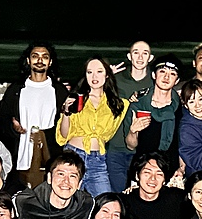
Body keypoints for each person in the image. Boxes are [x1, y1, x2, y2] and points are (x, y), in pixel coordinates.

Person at [0, 41, 70, 188]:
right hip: (20, 159)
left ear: (50, 62)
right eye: (35, 56)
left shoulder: (59, 91)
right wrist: (14, 128)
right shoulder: (16, 90)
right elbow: (3, 121)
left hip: (50, 158)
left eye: (45, 57)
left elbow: (67, 125)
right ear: (28, 61)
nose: (40, 60)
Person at [55, 56, 128, 196]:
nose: (94, 76)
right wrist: (66, 112)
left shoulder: (116, 104)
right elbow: (64, 135)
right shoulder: (77, 98)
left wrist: (111, 74)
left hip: (97, 160)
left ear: (107, 75)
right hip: (73, 155)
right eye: (90, 72)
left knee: (105, 200)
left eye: (99, 71)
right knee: (69, 200)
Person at [105, 40, 154, 191]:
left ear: (150, 58)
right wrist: (105, 76)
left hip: (144, 151)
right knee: (118, 194)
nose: (140, 57)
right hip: (116, 147)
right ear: (129, 56)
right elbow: (92, 94)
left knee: (142, 195)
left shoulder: (156, 81)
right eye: (136, 52)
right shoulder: (116, 79)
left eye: (145, 53)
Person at [123, 54, 183, 172]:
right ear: (154, 75)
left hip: (170, 167)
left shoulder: (180, 108)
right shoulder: (138, 105)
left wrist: (181, 168)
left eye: (172, 74)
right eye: (162, 71)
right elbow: (130, 145)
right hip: (143, 168)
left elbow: (183, 143)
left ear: (177, 81)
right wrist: (133, 131)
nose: (166, 77)